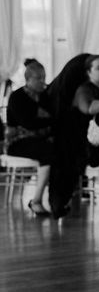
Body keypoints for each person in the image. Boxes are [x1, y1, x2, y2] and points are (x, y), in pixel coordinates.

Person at [48, 48, 99, 218]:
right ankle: (59, 204)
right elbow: (84, 105)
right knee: (66, 164)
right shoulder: (83, 83)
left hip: (84, 126)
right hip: (66, 118)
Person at [5, 59, 54, 216]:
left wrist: (48, 120)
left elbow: (56, 118)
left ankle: (62, 197)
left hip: (41, 139)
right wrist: (49, 120)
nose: (42, 81)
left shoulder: (46, 96)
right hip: (17, 142)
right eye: (38, 78)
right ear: (28, 79)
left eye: (44, 77)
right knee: (49, 152)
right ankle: (37, 200)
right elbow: (29, 123)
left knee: (63, 147)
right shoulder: (17, 97)